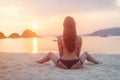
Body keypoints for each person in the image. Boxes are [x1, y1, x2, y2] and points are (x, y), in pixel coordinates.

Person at [37, 16, 101, 69]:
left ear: (64, 26)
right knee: (86, 54)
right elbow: (78, 55)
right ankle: (96, 62)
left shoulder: (60, 38)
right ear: (74, 26)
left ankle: (40, 61)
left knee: (50, 54)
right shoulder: (79, 38)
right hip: (76, 63)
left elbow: (61, 54)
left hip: (63, 63)